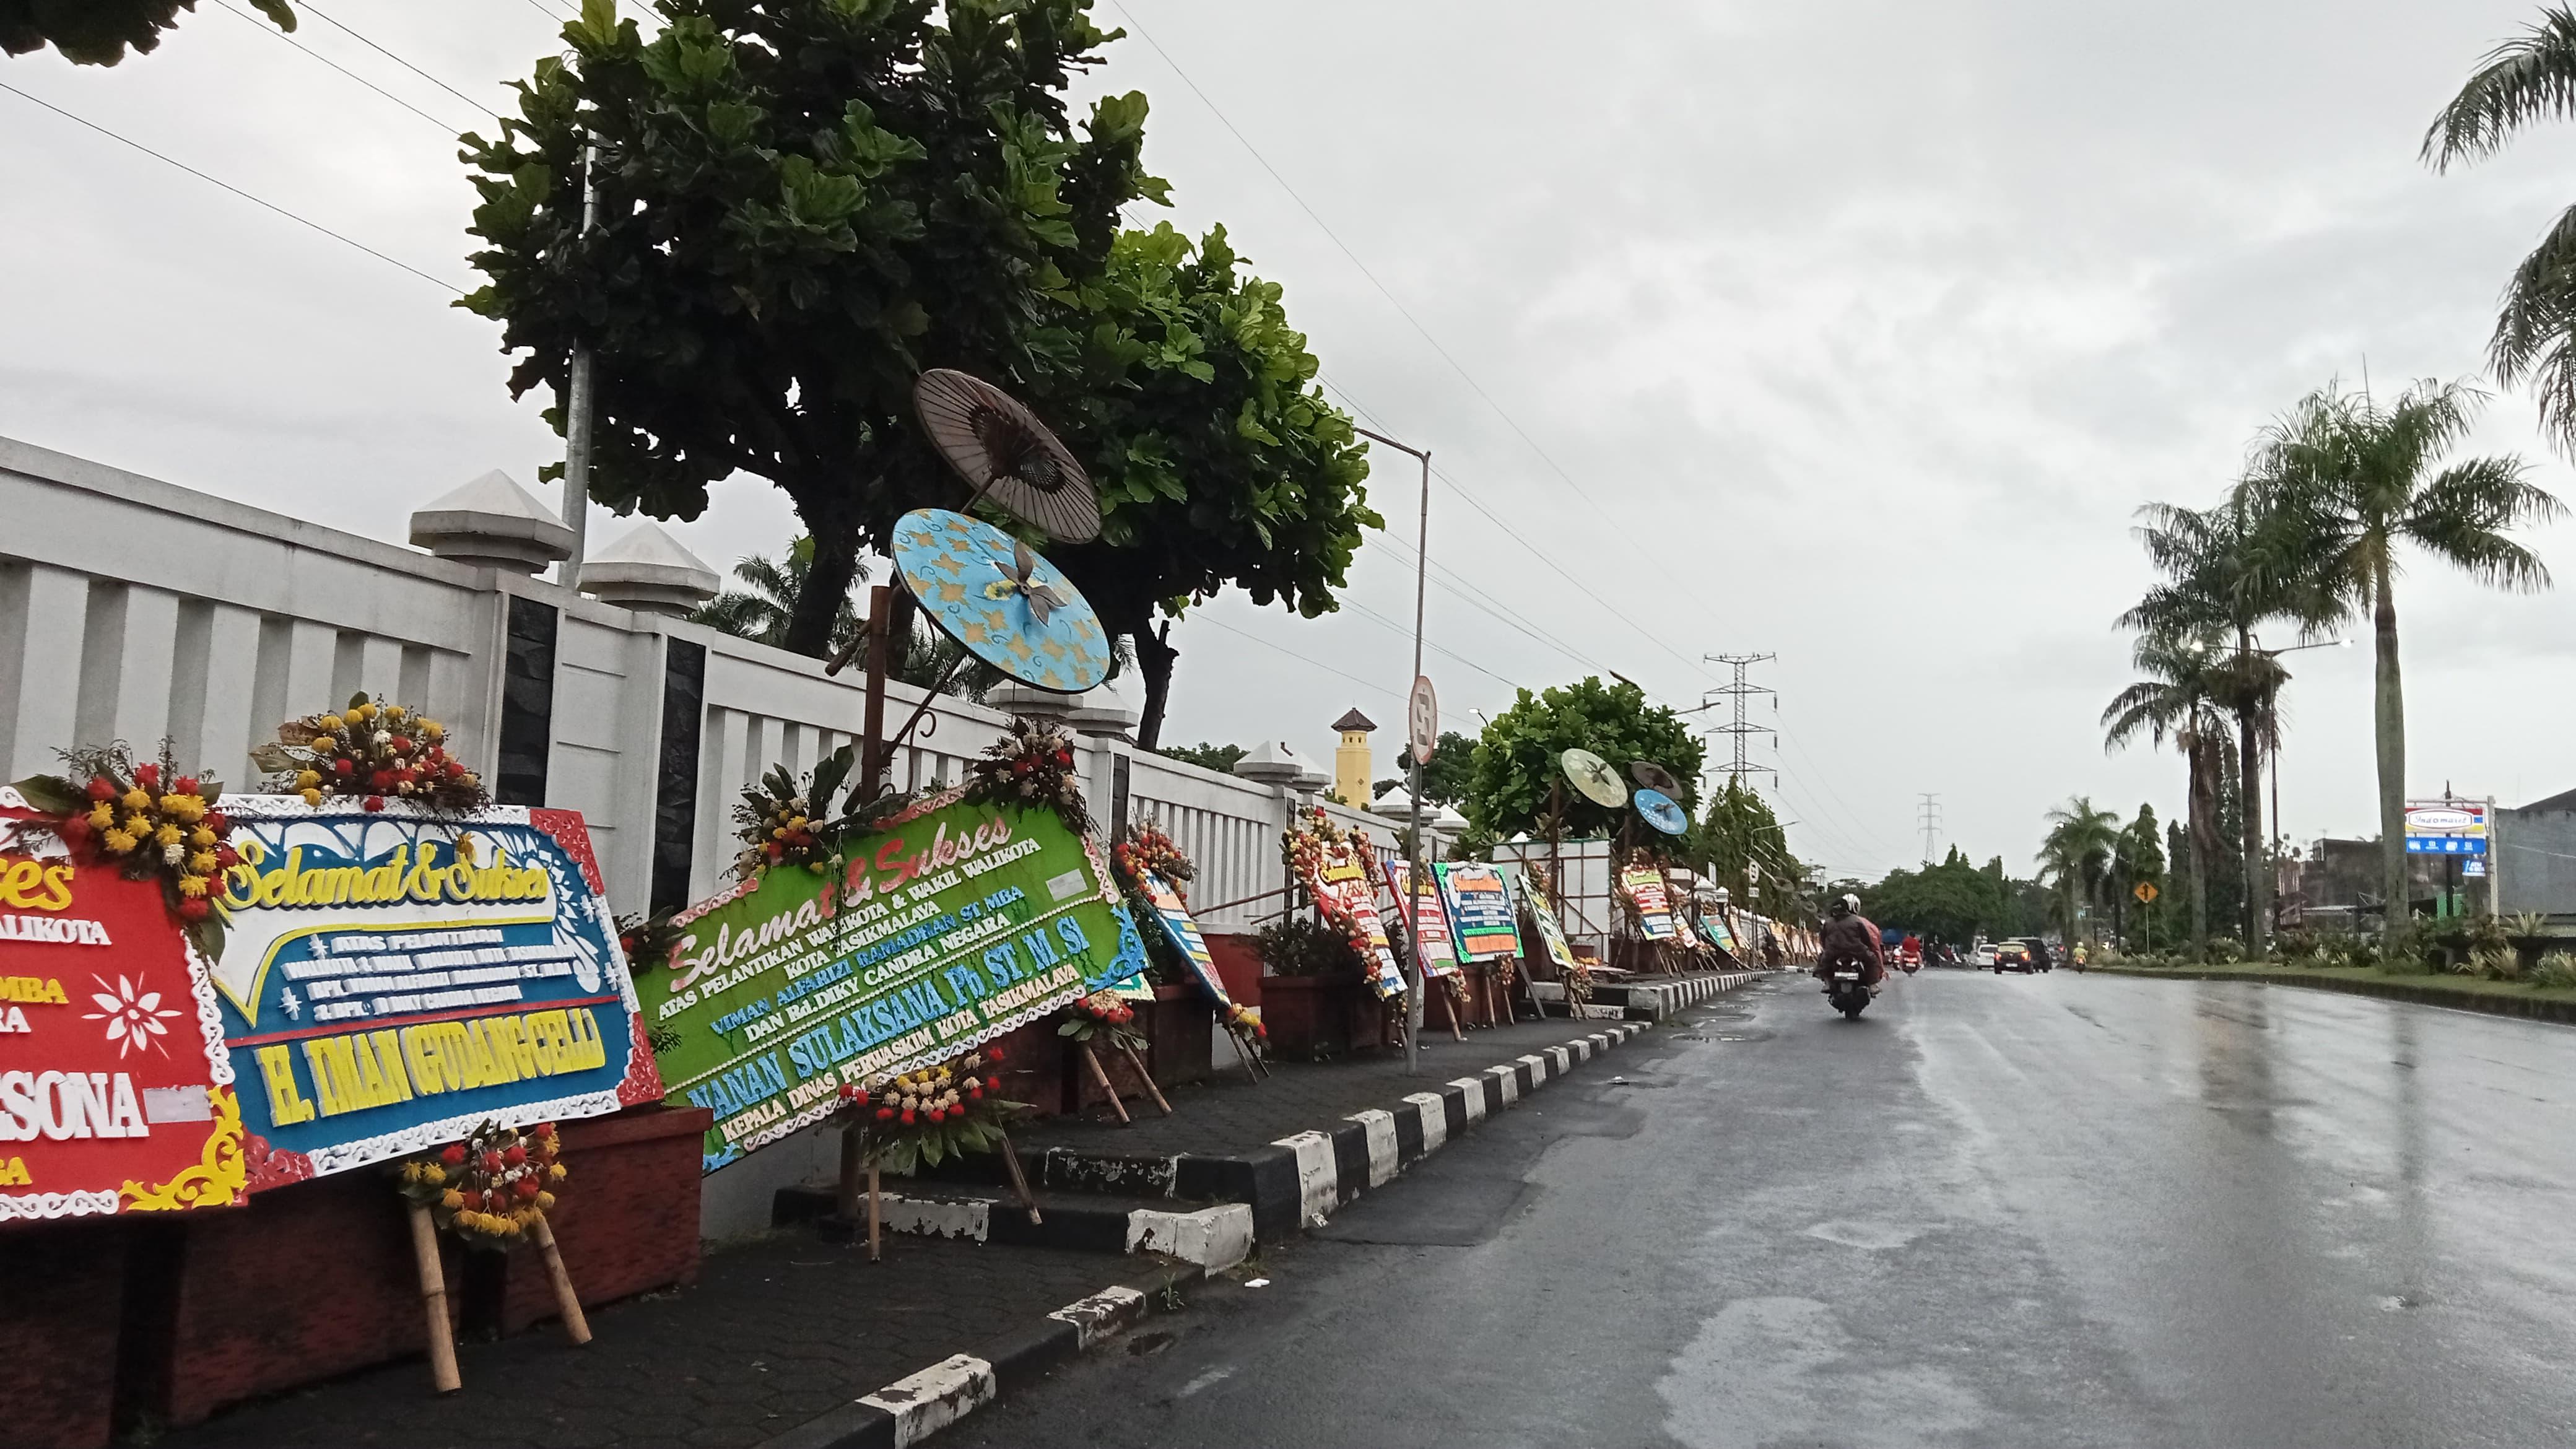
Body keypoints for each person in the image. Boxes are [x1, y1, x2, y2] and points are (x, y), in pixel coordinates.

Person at [1815, 893, 1886, 994]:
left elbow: (1823, 938)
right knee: (1872, 961)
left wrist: (1827, 949)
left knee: (1823, 962)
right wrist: (1867, 948)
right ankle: (1872, 985)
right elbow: (1865, 938)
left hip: (1833, 951)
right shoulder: (1856, 921)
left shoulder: (1828, 922)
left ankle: (1827, 983)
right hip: (1856, 950)